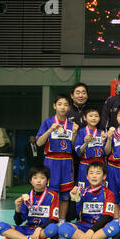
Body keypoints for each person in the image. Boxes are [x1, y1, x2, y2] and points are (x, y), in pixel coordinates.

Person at [55, 161, 118, 239]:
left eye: (98, 173)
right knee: (62, 227)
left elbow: (107, 217)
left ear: (104, 176)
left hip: (100, 227)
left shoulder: (109, 193)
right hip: (83, 226)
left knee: (115, 225)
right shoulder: (82, 192)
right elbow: (72, 216)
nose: (94, 176)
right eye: (91, 173)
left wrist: (91, 231)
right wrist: (72, 199)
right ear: (87, 177)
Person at [36, 94, 79, 223]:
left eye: (66, 105)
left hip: (66, 160)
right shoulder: (48, 122)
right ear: (54, 106)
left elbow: (72, 145)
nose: (62, 107)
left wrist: (75, 133)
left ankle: (61, 221)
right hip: (51, 160)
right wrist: (49, 131)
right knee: (51, 192)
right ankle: (50, 220)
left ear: (69, 107)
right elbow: (39, 143)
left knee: (66, 194)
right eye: (60, 104)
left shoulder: (72, 125)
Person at [0, 165, 59, 239]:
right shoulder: (26, 196)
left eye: (42, 178)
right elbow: (18, 222)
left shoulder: (53, 195)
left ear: (47, 180)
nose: (38, 181)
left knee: (54, 229)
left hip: (43, 230)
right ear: (30, 181)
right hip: (27, 229)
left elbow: (54, 220)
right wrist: (17, 209)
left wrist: (39, 229)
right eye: (35, 178)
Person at [74, 107, 106, 189]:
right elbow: (78, 152)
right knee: (82, 191)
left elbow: (107, 152)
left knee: (101, 191)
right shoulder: (81, 132)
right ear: (85, 118)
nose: (93, 118)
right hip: (85, 165)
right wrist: (85, 143)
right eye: (91, 116)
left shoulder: (102, 132)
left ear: (99, 118)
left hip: (100, 165)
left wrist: (105, 140)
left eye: (96, 116)